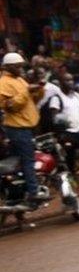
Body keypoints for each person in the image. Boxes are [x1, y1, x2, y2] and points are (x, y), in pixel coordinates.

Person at [0, 53, 43, 202]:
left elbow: (32, 100)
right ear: (8, 67)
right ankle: (33, 191)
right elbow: (10, 106)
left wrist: (38, 90)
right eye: (18, 66)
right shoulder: (3, 83)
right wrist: (26, 92)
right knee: (28, 160)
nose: (21, 69)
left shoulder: (19, 80)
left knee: (21, 161)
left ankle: (18, 195)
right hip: (17, 128)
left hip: (27, 127)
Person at [48, 73, 79, 173]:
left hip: (78, 131)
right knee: (69, 158)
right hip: (67, 133)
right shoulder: (56, 98)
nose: (70, 82)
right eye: (67, 80)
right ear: (61, 83)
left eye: (71, 80)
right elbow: (54, 118)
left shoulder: (77, 96)